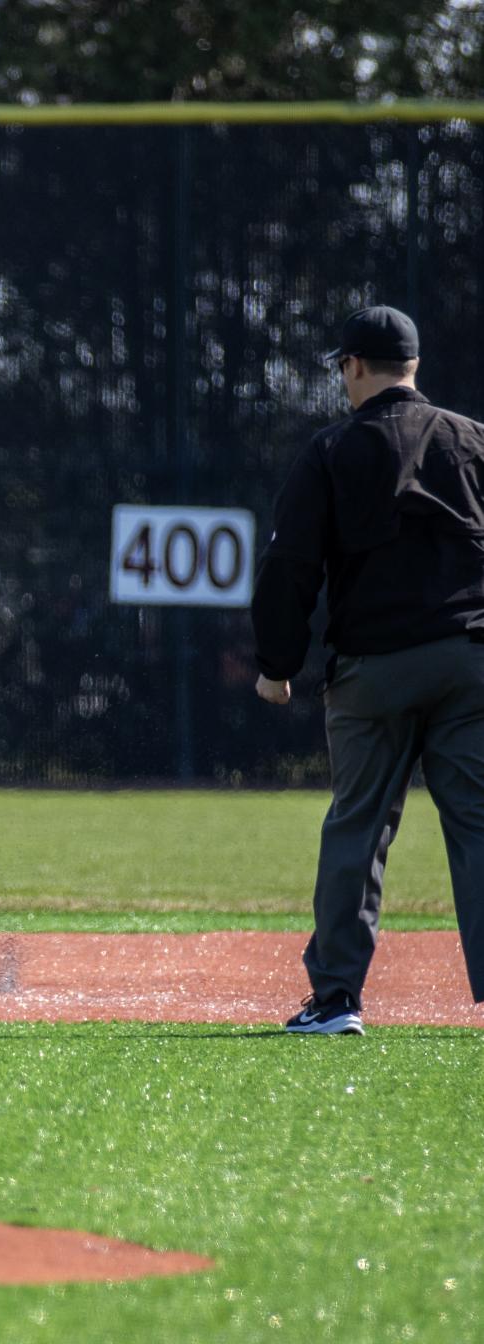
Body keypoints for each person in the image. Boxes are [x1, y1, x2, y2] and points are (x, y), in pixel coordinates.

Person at [253, 304, 484, 1035]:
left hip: (374, 669)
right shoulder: (471, 439)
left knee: (357, 828)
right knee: (478, 828)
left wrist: (275, 664)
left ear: (352, 366)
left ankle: (336, 1000)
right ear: (412, 367)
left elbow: (290, 565)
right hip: (470, 659)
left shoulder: (332, 448)